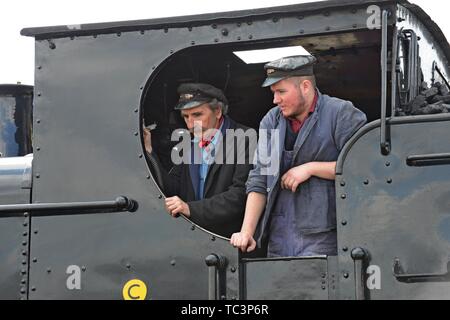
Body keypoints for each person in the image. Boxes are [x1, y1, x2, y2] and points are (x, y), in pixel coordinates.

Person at [230, 55, 367, 257]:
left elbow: (362, 167)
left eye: (281, 92)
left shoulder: (340, 113)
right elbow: (260, 178)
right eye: (273, 93)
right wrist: (246, 232)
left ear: (305, 86)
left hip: (324, 237)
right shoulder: (271, 120)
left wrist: (311, 168)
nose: (275, 100)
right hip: (278, 234)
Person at [144, 83, 253, 238]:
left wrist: (191, 209)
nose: (190, 124)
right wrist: (149, 152)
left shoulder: (245, 138)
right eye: (185, 117)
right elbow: (173, 188)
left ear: (218, 112)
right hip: (196, 240)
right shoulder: (189, 145)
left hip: (231, 242)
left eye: (197, 115)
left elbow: (241, 195)